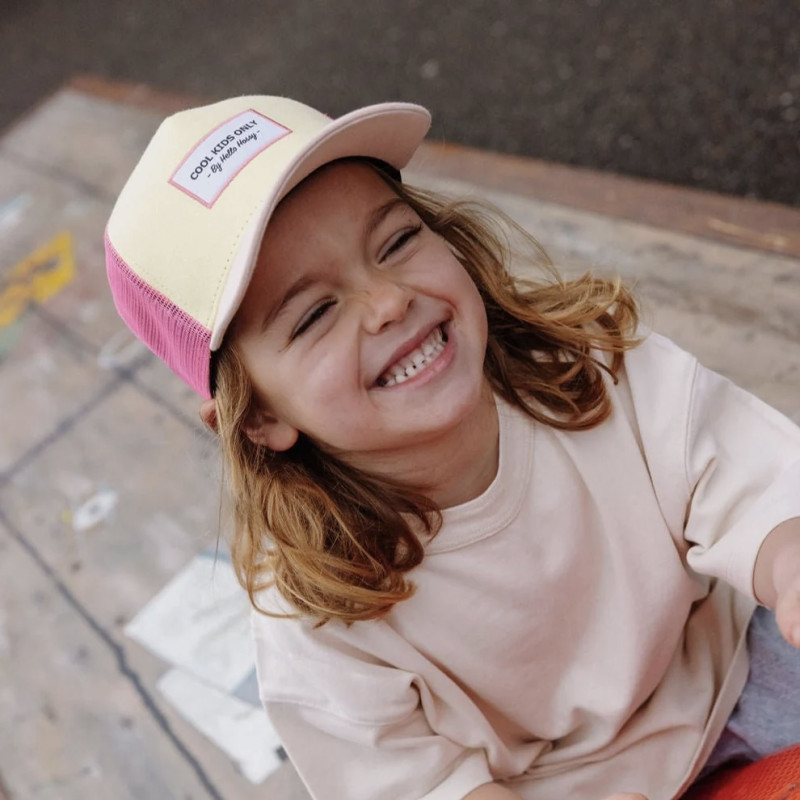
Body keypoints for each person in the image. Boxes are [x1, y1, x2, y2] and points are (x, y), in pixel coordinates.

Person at [104, 95, 800, 800]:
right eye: (314, 313)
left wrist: (788, 558)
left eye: (396, 242)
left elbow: (748, 479)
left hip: (733, 668)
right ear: (256, 422)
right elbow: (416, 784)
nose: (388, 301)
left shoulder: (585, 368)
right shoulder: (313, 621)